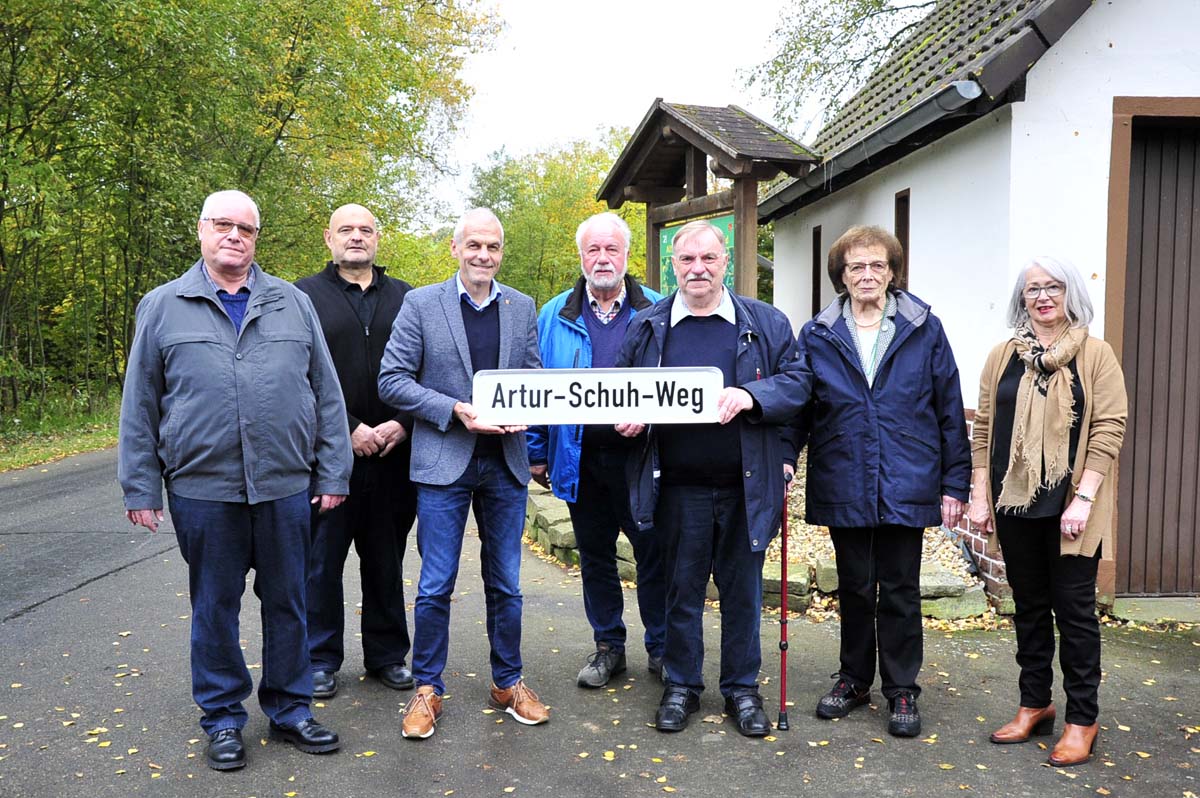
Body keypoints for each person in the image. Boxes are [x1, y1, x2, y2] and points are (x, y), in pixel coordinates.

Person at [118, 190, 352, 771]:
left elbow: (326, 393)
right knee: (214, 607)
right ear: (201, 230)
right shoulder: (163, 306)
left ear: (256, 238)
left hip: (285, 486)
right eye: (223, 225)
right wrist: (141, 486)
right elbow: (140, 404)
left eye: (246, 228)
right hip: (203, 490)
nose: (235, 236)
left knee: (289, 601)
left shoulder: (292, 304)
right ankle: (222, 718)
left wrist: (333, 470)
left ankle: (291, 707)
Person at [616, 220, 810, 737]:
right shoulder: (648, 326)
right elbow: (623, 390)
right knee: (680, 591)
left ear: (726, 261)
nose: (697, 269)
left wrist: (752, 396)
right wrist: (630, 422)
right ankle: (681, 687)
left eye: (708, 258)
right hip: (677, 487)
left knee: (743, 593)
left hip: (746, 486)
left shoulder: (765, 323)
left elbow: (798, 385)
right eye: (686, 260)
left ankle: (742, 691)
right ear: (672, 264)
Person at [378, 207, 548, 740]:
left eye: (493, 247)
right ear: (455, 249)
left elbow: (533, 377)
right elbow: (393, 380)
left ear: (501, 253)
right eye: (474, 245)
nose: (483, 255)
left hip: (505, 463)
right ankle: (427, 688)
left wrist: (529, 408)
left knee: (507, 583)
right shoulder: (420, 304)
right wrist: (454, 409)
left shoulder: (522, 306)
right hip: (444, 459)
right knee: (435, 583)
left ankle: (509, 681)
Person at [795, 225, 969, 738]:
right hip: (843, 473)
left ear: (892, 273)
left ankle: (901, 690)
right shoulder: (818, 333)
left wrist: (955, 483)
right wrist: (782, 460)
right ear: (841, 276)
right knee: (853, 586)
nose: (866, 275)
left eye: (876, 265)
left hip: (908, 474)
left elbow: (949, 408)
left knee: (898, 588)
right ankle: (853, 680)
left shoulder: (923, 328)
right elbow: (800, 407)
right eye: (856, 267)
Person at [967, 256, 1127, 767]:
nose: (1043, 297)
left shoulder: (1096, 354)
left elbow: (1108, 429)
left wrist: (1084, 498)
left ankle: (1083, 719)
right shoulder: (1003, 357)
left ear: (1070, 294)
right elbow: (986, 427)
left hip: (1070, 509)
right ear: (1022, 299)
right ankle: (1035, 703)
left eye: (1053, 287)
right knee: (1029, 610)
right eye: (1033, 289)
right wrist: (978, 493)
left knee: (1075, 615)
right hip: (1015, 505)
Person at [527, 212, 667, 689]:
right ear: (581, 256)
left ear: (628, 256)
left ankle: (662, 648)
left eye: (612, 249)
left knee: (653, 554)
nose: (603, 258)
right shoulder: (552, 316)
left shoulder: (658, 309)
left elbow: (676, 388)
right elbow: (534, 387)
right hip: (580, 459)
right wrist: (536, 452)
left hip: (644, 460)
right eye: (594, 250)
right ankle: (609, 647)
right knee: (596, 559)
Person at [295, 204, 417, 700]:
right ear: (328, 237)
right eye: (346, 229)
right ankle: (320, 659)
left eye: (365, 230)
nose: (356, 237)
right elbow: (293, 378)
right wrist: (345, 429)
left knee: (386, 559)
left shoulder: (409, 298)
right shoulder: (300, 297)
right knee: (322, 563)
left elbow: (429, 371)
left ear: (378, 238)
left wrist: (404, 424)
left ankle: (387, 655)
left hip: (394, 457)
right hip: (329, 460)